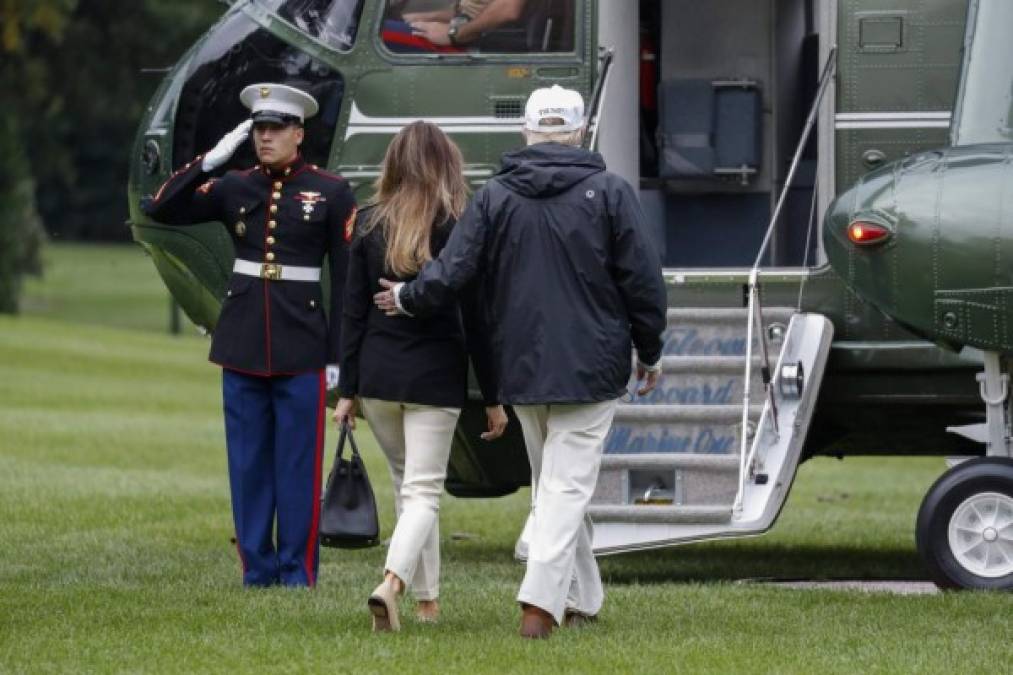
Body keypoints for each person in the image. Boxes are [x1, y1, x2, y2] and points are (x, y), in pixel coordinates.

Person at [374, 85, 667, 638]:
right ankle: (539, 603)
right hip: (593, 364)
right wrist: (649, 350)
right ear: (580, 132)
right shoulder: (610, 192)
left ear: (527, 133)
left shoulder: (495, 196)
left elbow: (455, 269)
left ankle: (582, 597)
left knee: (556, 484)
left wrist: (410, 296)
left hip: (521, 368)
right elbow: (643, 283)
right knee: (565, 486)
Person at [143, 83, 356, 588]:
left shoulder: (331, 191)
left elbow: (345, 283)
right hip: (241, 344)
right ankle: (257, 570)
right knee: (247, 465)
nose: (265, 137)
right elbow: (161, 208)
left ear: (298, 133)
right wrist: (209, 161)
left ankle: (297, 572)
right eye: (259, 129)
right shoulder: (234, 186)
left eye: (276, 128)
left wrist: (339, 362)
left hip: (302, 345)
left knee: (298, 468)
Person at [333, 121, 506, 632]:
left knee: (409, 489)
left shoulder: (366, 223)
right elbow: (479, 322)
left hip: (379, 379)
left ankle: (428, 603)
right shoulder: (456, 227)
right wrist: (493, 397)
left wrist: (347, 390)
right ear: (446, 165)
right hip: (434, 377)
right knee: (425, 493)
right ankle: (392, 584)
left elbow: (352, 314)